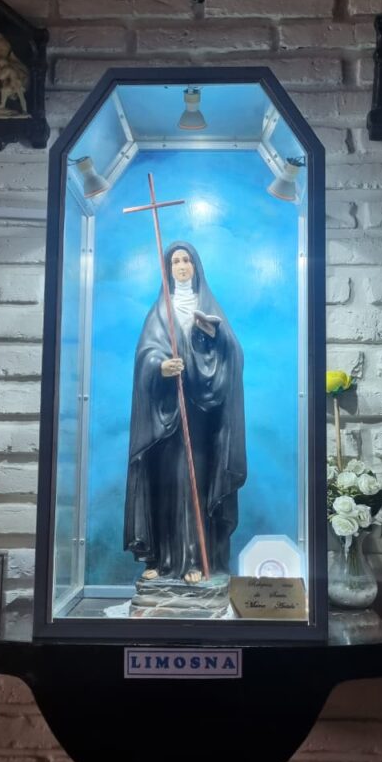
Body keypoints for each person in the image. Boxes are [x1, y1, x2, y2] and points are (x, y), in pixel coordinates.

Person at [123, 240, 246, 586]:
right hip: (166, 420)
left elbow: (234, 355)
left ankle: (195, 559)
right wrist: (160, 366)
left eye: (186, 260)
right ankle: (162, 560)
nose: (181, 266)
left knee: (194, 484)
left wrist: (214, 340)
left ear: (195, 267)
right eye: (175, 261)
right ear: (168, 268)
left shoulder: (208, 306)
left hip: (200, 415)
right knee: (165, 485)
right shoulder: (160, 312)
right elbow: (145, 356)